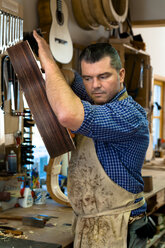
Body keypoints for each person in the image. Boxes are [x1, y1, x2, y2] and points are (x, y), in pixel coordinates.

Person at [33, 30, 150, 248]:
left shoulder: (129, 114)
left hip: (119, 225)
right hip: (91, 223)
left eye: (104, 76)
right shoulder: (93, 98)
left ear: (121, 75)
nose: (95, 85)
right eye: (89, 77)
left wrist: (47, 60)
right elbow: (70, 76)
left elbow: (68, 114)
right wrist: (60, 74)